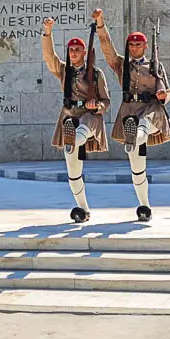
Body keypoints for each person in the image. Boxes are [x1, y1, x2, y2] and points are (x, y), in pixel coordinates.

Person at [91, 8, 170, 222]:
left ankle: (135, 136)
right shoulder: (122, 65)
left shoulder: (155, 65)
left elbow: (166, 91)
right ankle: (144, 205)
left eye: (138, 44)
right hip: (129, 112)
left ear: (145, 46)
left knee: (143, 125)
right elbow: (107, 48)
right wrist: (100, 24)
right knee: (137, 167)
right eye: (131, 45)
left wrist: (163, 94)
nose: (135, 48)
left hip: (152, 111)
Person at [41, 17, 110, 223]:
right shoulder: (65, 71)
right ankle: (83, 208)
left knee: (78, 135)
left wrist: (96, 106)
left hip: (89, 119)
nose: (73, 53)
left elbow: (106, 101)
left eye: (77, 50)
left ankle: (75, 137)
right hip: (70, 116)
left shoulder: (96, 74)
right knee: (72, 168)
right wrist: (47, 33)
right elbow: (49, 57)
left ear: (84, 53)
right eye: (70, 50)